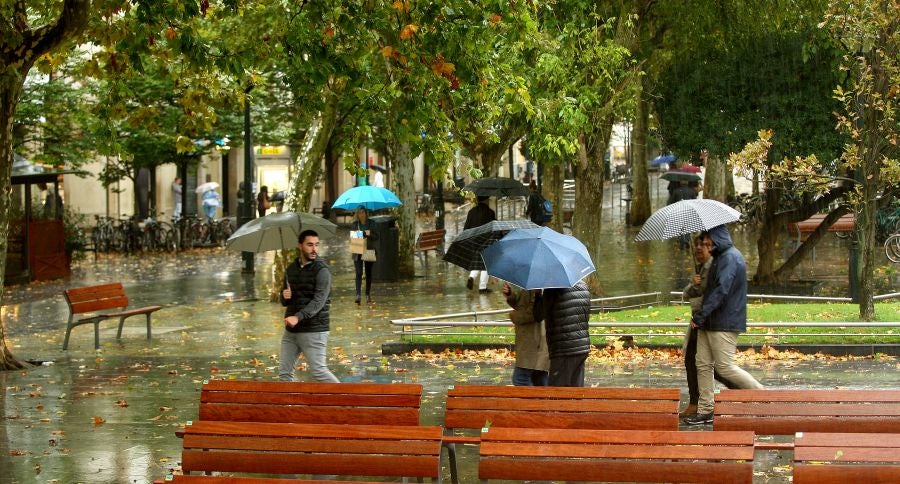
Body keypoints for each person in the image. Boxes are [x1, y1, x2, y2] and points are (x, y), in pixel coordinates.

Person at [685, 224, 764, 425]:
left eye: (706, 241)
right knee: (702, 364)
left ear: (716, 238)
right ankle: (706, 409)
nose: (704, 245)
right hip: (709, 322)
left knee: (725, 367)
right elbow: (708, 290)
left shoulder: (729, 257)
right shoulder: (719, 257)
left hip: (723, 322)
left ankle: (763, 396)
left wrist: (701, 315)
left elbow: (721, 290)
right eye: (702, 242)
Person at [680, 233, 737, 418]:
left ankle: (742, 391)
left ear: (711, 247)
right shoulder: (701, 268)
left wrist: (699, 289)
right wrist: (693, 284)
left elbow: (716, 294)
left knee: (714, 366)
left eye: (702, 245)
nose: (698, 248)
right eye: (696, 245)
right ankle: (697, 403)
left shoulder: (714, 266)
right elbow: (687, 294)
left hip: (709, 321)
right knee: (694, 361)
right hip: (699, 320)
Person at [279, 230, 340, 383]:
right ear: (300, 246)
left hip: (314, 329)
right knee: (284, 375)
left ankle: (349, 401)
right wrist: (284, 296)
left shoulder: (322, 270)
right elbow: (287, 299)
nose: (314, 249)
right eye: (310, 245)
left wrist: (298, 317)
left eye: (316, 245)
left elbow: (318, 302)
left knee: (319, 372)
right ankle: (289, 407)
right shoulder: (291, 268)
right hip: (291, 330)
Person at [536, 281, 591, 387]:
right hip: (582, 347)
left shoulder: (552, 289)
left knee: (557, 394)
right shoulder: (584, 287)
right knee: (576, 392)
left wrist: (538, 296)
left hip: (563, 349)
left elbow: (538, 314)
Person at [503, 282, 550, 386]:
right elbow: (523, 304)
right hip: (532, 339)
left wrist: (514, 316)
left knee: (520, 379)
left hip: (533, 340)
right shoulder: (532, 283)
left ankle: (535, 402)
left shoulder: (537, 285)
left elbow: (535, 314)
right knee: (540, 378)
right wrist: (510, 296)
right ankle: (545, 401)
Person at [464, 196, 496, 292]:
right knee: (486, 264)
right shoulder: (490, 212)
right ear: (486, 200)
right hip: (486, 241)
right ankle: (482, 287)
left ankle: (472, 277)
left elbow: (466, 228)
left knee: (478, 262)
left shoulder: (471, 212)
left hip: (474, 241)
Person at [351, 206, 378, 305]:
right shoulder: (354, 224)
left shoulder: (372, 223)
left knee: (368, 273)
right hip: (357, 249)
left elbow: (377, 236)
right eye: (359, 212)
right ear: (357, 214)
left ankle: (367, 294)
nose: (361, 214)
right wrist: (360, 234)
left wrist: (368, 233)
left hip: (369, 249)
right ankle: (358, 294)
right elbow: (352, 237)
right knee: (358, 272)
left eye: (362, 212)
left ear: (366, 213)